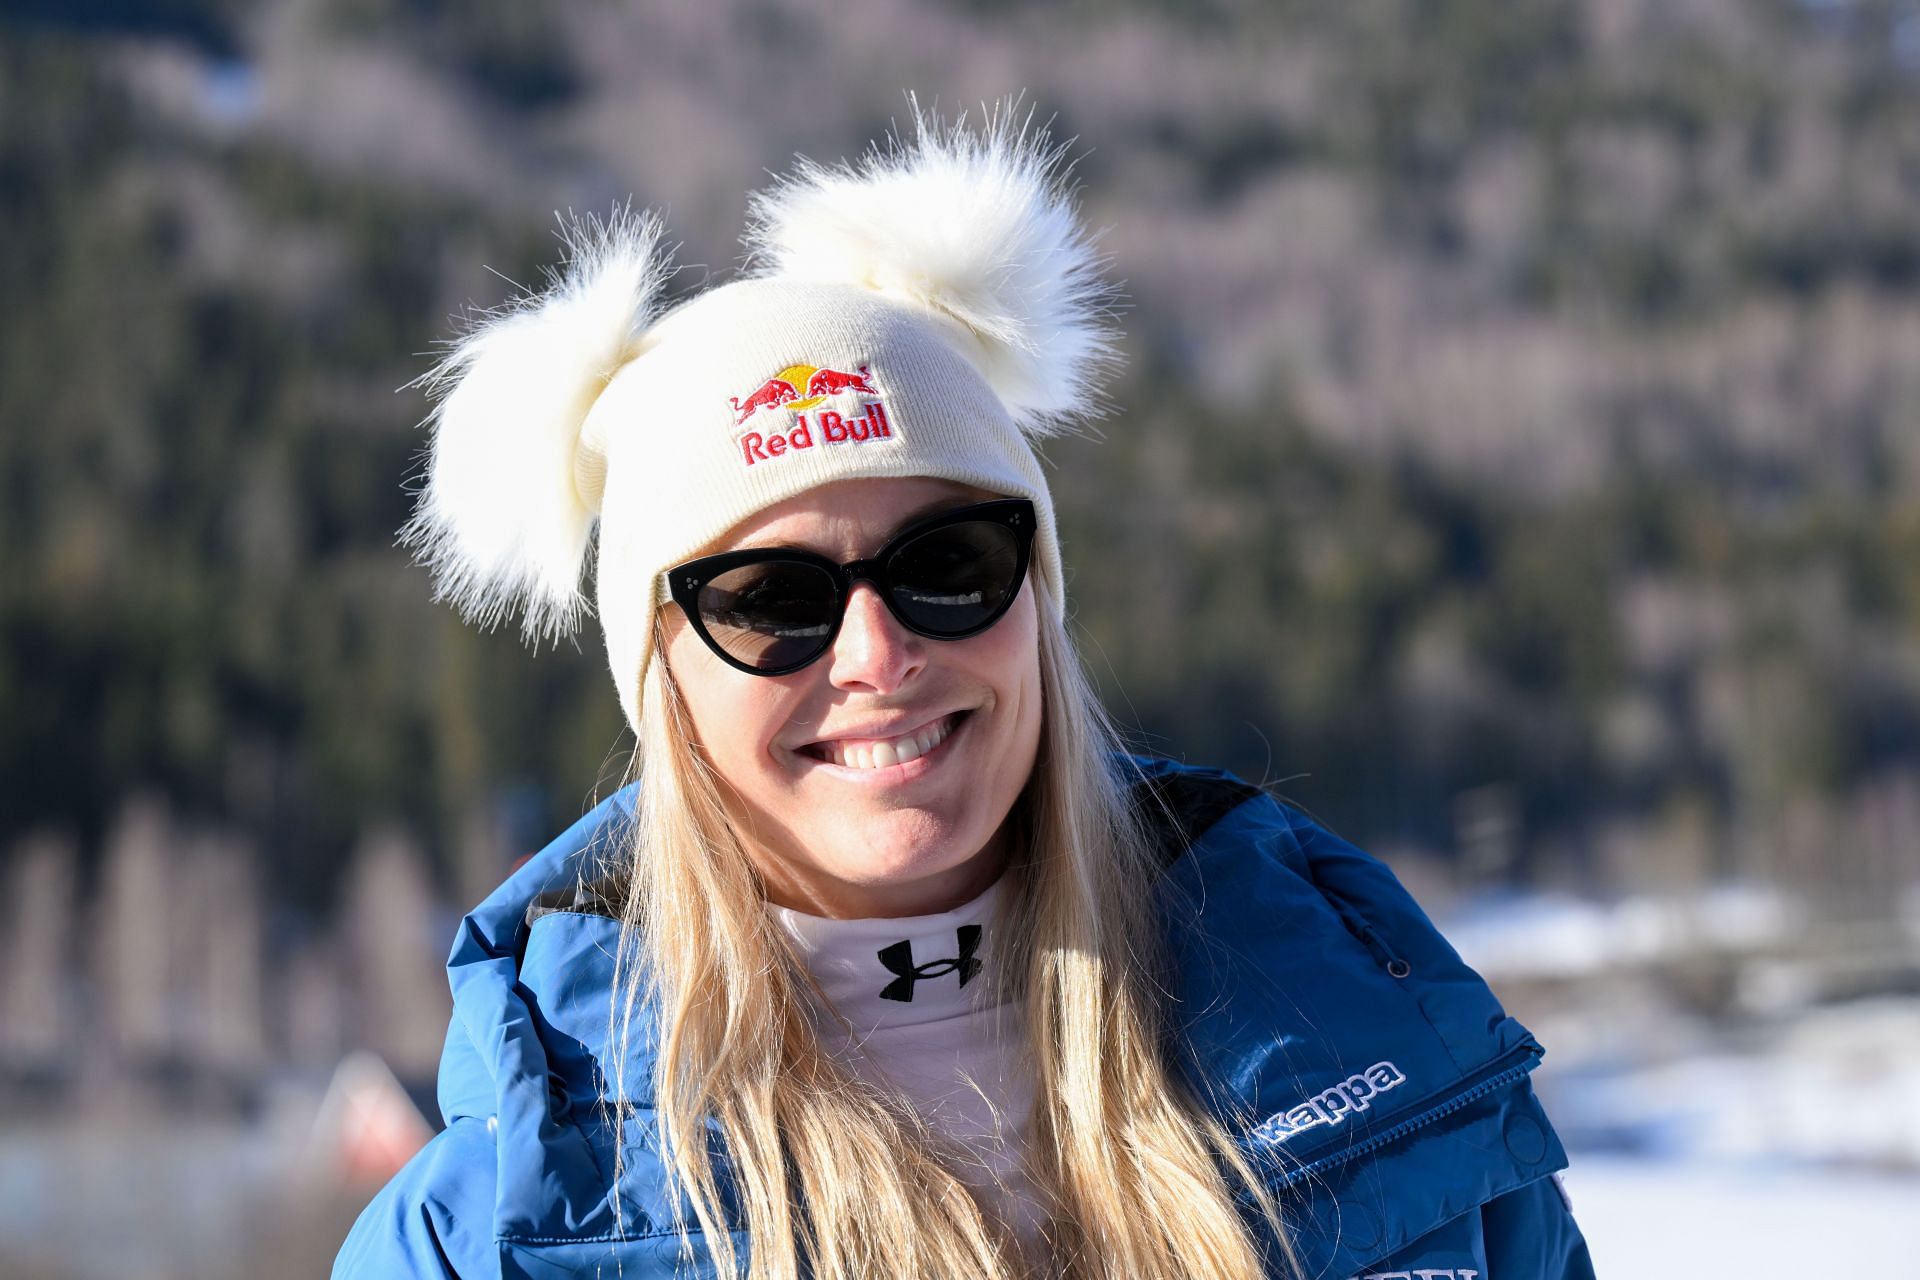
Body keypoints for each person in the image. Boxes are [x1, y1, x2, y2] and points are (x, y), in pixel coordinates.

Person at [334, 104, 1596, 1280]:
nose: (878, 653)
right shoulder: (484, 1236)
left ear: (1036, 598)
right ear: (661, 673)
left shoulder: (1376, 1047)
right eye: (771, 599)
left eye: (947, 564)